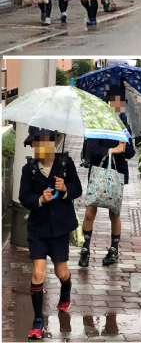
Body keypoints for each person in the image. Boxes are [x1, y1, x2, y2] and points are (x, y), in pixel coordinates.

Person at [19, 126, 83, 339]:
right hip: (38, 230)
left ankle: (66, 287)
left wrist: (65, 189)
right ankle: (38, 319)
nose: (38, 147)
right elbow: (24, 196)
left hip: (59, 230)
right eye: (35, 143)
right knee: (38, 273)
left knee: (60, 272)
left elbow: (77, 189)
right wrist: (39, 199)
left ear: (53, 143)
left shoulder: (65, 164)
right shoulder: (29, 169)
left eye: (42, 142)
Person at [79, 84, 135, 268]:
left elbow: (131, 153)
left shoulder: (123, 127)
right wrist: (114, 149)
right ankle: (85, 249)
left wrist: (124, 148)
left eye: (120, 103)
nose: (117, 106)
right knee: (90, 212)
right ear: (107, 104)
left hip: (117, 175)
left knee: (114, 213)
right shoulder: (96, 124)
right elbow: (93, 152)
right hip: (98, 173)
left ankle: (113, 250)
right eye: (114, 102)